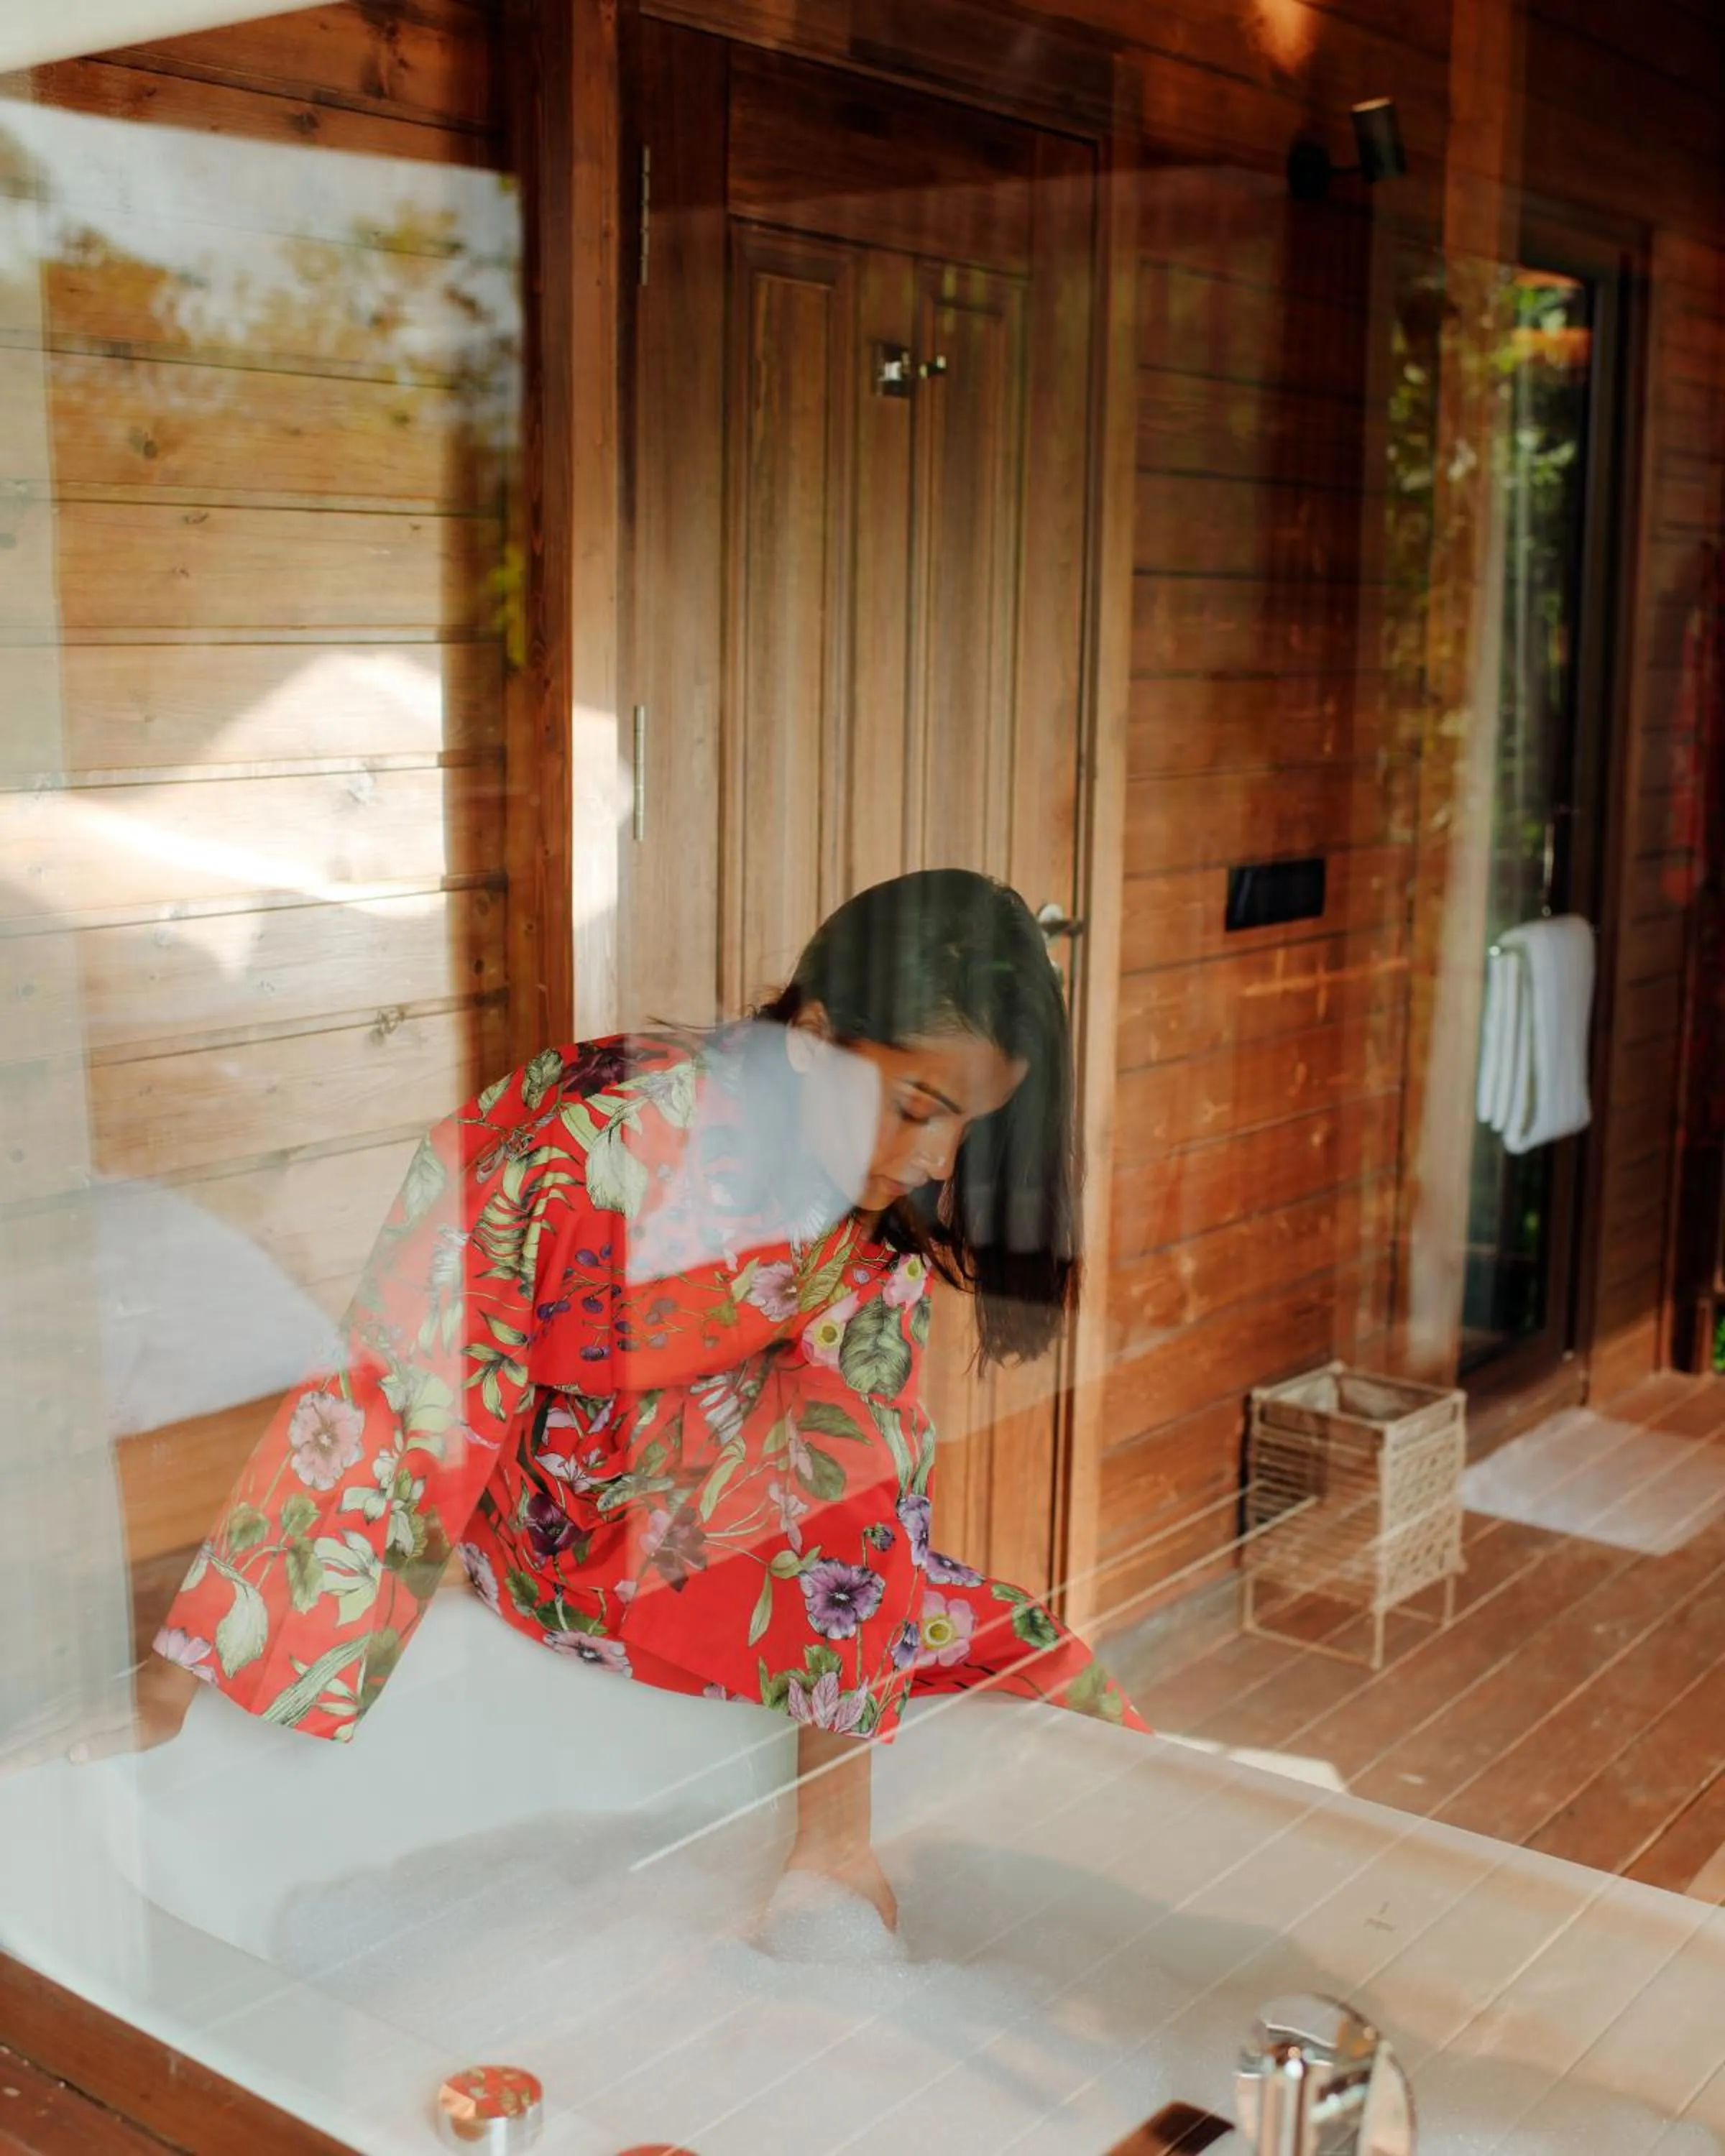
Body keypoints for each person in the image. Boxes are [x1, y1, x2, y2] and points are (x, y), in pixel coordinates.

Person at [134, 870, 1144, 1927]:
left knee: (1033, 1672)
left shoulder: (868, 1203)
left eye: (966, 1126)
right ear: (812, 1037)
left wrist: (837, 1829)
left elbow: (876, 1480)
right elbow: (401, 1393)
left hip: (710, 1503)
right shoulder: (585, 1153)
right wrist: (177, 1675)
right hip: (554, 1530)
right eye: (918, 1109)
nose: (936, 1159)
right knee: (870, 1537)